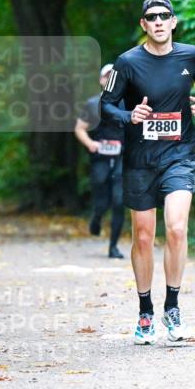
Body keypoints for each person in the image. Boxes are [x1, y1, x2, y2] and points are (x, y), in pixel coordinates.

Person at [99, 0, 195, 345]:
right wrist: (128, 116)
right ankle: (145, 311)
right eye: (152, 17)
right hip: (140, 160)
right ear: (144, 25)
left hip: (179, 155)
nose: (159, 21)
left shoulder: (190, 55)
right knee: (145, 236)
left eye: (165, 16)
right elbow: (107, 105)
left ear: (174, 21)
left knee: (177, 228)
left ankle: (174, 308)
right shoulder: (127, 62)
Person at [74, 64, 125, 259]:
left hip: (123, 156)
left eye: (114, 77)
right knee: (102, 201)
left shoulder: (129, 102)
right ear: (101, 80)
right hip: (100, 158)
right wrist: (90, 144)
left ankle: (113, 247)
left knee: (119, 201)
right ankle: (96, 217)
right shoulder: (92, 103)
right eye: (107, 76)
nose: (110, 80)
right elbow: (79, 128)